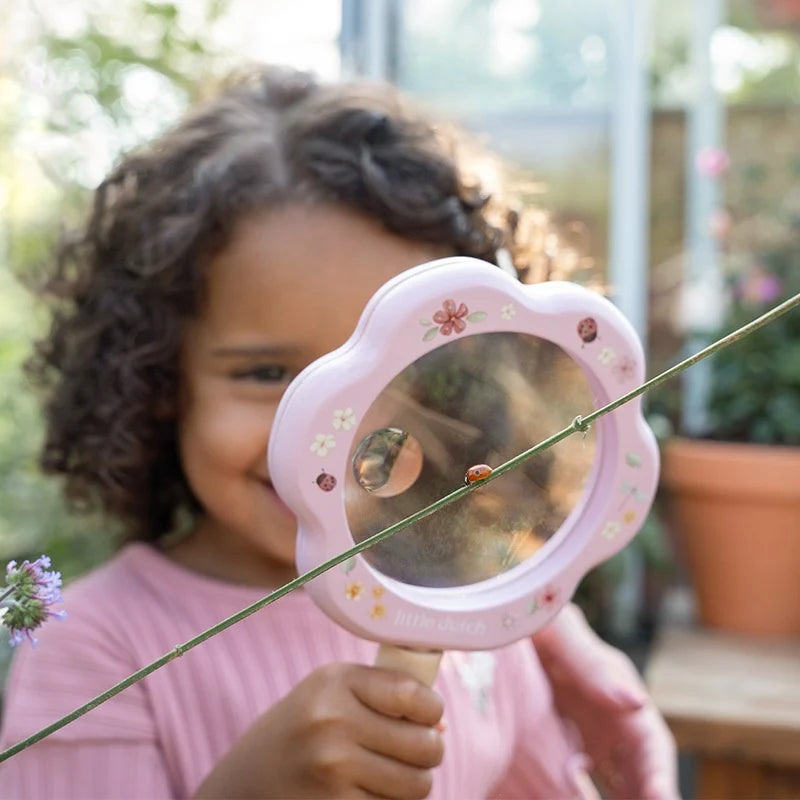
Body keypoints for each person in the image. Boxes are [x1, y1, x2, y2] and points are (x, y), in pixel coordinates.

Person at [0, 65, 677, 799]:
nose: (339, 428)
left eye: (408, 373)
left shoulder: (473, 607)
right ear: (160, 383)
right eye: (265, 372)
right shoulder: (97, 649)